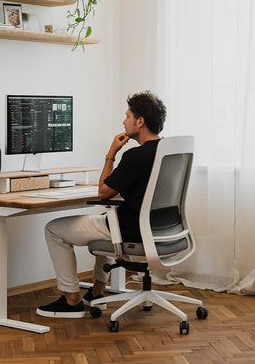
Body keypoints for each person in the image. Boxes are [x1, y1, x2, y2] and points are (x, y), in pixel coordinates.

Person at [36, 91, 167, 318]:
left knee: (54, 229)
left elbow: (103, 191)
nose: (123, 121)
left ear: (140, 121)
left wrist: (111, 154)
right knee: (108, 219)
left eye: (127, 116)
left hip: (132, 230)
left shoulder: (136, 156)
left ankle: (70, 300)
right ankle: (97, 292)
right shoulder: (168, 151)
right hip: (160, 229)